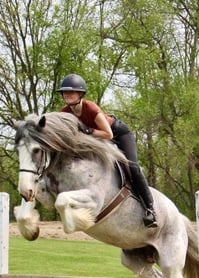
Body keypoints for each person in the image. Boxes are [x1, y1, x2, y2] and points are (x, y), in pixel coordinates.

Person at [57, 73, 157, 228]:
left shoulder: (90, 108)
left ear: (81, 93)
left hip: (117, 134)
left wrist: (88, 131)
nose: (67, 95)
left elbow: (108, 134)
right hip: (97, 140)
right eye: (65, 92)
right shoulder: (65, 113)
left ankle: (150, 209)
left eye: (71, 91)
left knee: (132, 166)